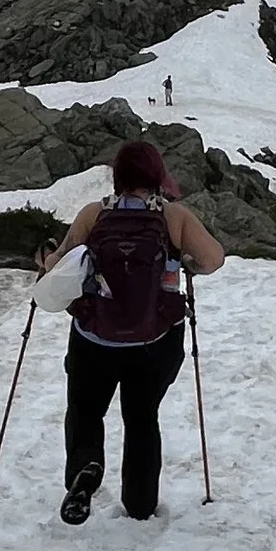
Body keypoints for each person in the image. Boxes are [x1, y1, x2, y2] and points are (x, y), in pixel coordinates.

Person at [38, 137, 224, 523]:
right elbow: (214, 259)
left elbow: (58, 265)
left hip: (94, 339)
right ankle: (140, 503)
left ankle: (85, 471)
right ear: (157, 176)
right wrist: (186, 261)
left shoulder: (95, 215)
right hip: (154, 341)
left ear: (117, 177)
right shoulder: (174, 217)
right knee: (142, 418)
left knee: (86, 411)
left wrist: (47, 256)